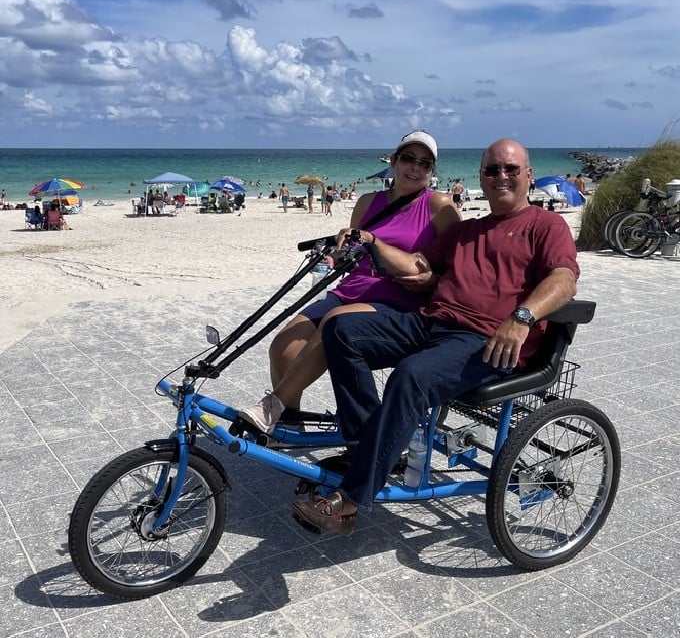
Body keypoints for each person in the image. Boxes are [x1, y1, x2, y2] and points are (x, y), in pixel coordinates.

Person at [291, 138, 580, 535]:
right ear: (481, 176)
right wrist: (372, 241)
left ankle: (350, 501)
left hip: (486, 340)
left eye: (511, 169)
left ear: (528, 174)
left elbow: (564, 279)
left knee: (411, 375)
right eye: (492, 170)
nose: (501, 176)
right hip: (431, 322)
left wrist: (523, 315)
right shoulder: (469, 230)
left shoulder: (545, 225)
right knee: (341, 327)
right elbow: (416, 263)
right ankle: (367, 447)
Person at [239, 130, 462, 432]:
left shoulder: (440, 206)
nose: (415, 168)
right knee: (282, 347)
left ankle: (273, 405)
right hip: (352, 291)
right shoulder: (368, 201)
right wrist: (335, 257)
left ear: (431, 171)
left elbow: (455, 266)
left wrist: (428, 280)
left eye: (425, 163)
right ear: (394, 161)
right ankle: (291, 427)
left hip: (398, 300)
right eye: (409, 159)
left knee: (334, 323)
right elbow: (354, 253)